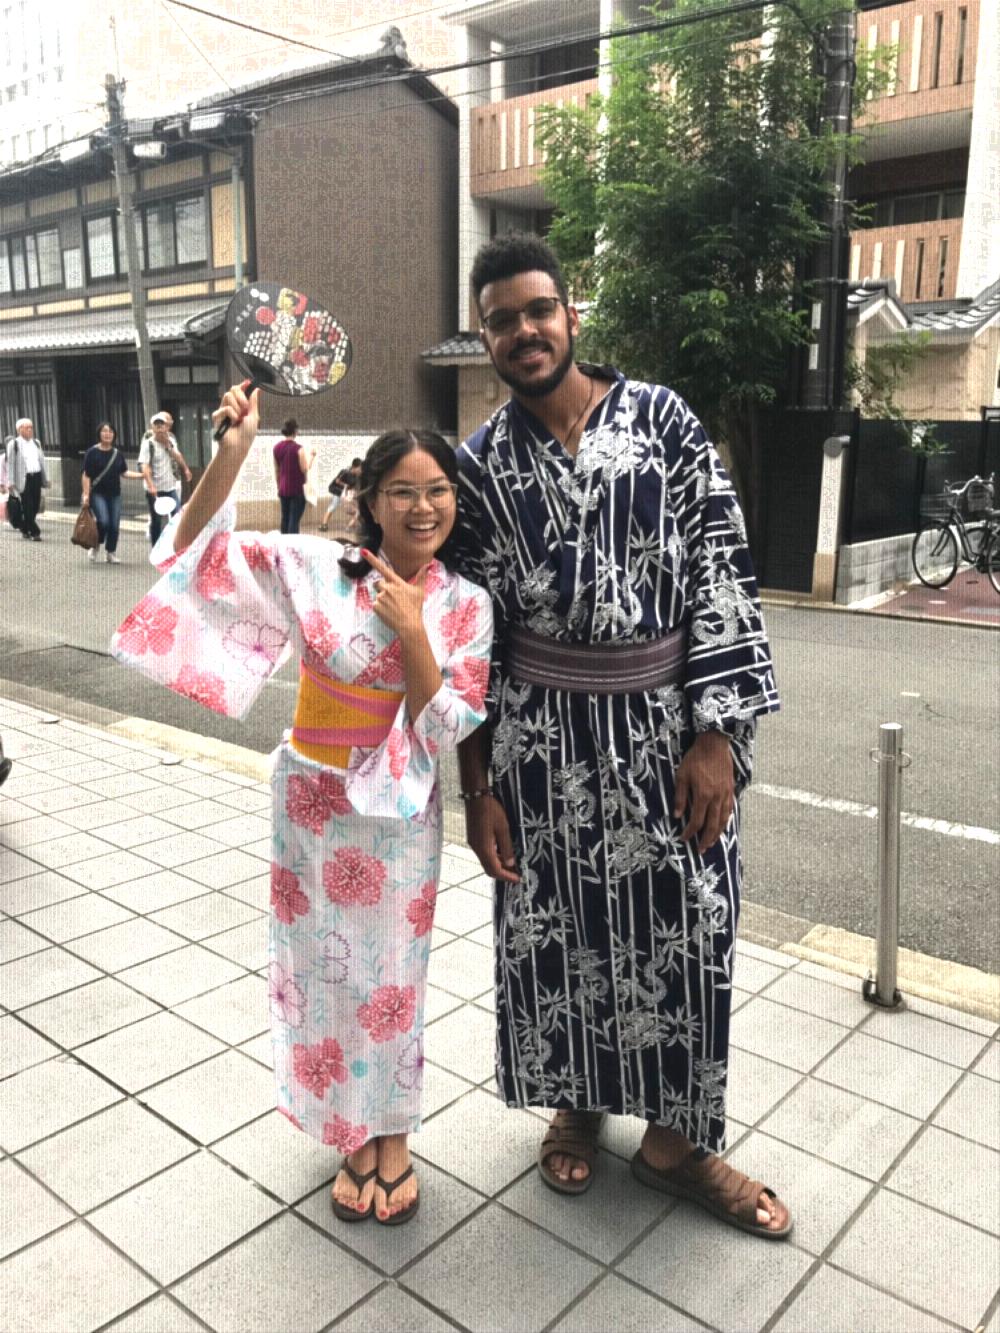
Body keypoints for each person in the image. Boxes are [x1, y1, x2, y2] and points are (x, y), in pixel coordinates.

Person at [453, 233, 791, 1238]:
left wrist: (717, 734)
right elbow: (469, 641)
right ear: (484, 338)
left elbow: (724, 570)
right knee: (555, 930)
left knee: (686, 925)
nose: (523, 331)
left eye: (536, 310)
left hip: (662, 731)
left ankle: (677, 1141)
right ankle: (577, 1099)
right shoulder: (478, 468)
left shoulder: (666, 423)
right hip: (538, 742)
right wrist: (478, 790)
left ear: (570, 314)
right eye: (501, 319)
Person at [111, 384, 492, 1227]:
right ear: (370, 499)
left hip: (398, 817)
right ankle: (348, 1132)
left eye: (438, 491)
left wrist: (416, 631)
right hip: (311, 800)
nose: (423, 507)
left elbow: (449, 725)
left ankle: (395, 1132)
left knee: (393, 976)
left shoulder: (467, 603)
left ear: (455, 502)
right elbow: (189, 553)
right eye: (404, 491)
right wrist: (233, 452)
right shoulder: (319, 566)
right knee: (324, 975)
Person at [80, 422, 143, 563]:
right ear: (99, 434)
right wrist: (86, 494)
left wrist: (142, 476)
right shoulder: (92, 452)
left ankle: (111, 552)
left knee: (114, 524)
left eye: (110, 432)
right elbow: (86, 475)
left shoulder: (117, 453)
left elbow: (124, 472)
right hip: (97, 493)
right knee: (103, 521)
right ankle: (95, 545)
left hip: (115, 494)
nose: (107, 434)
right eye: (104, 431)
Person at [139, 412, 192, 545]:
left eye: (161, 424)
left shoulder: (171, 440)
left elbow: (177, 456)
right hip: (155, 488)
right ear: (152, 427)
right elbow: (144, 466)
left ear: (167, 427)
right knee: (156, 520)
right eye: (156, 425)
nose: (159, 428)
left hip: (170, 486)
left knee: (177, 516)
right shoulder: (148, 444)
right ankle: (156, 546)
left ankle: (175, 545)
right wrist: (151, 486)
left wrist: (185, 469)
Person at [1, 418, 50, 540]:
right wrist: (11, 482)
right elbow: (11, 464)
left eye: (31, 427)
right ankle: (35, 532)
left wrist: (46, 478)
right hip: (23, 479)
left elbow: (42, 461)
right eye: (27, 427)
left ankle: (24, 528)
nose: (30, 430)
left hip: (36, 476)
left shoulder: (36, 443)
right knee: (27, 505)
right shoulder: (14, 444)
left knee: (35, 505)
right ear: (19, 429)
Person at [272, 417, 316, 534]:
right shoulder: (299, 449)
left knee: (285, 518)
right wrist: (312, 456)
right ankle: (293, 546)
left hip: (283, 489)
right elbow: (304, 469)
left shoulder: (276, 448)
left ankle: (283, 544)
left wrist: (279, 486)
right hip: (297, 490)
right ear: (295, 431)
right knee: (294, 520)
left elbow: (277, 470)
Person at [319, 457, 363, 535]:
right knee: (334, 505)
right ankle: (324, 524)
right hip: (338, 490)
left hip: (346, 494)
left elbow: (354, 486)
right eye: (359, 468)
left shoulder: (356, 476)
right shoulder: (345, 472)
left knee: (357, 509)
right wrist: (346, 486)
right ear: (354, 467)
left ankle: (354, 526)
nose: (360, 470)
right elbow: (337, 481)